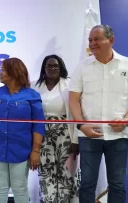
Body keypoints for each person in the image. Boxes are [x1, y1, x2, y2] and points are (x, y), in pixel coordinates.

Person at [69, 24, 128, 203]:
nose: (92, 44)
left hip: (119, 137)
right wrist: (82, 125)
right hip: (89, 136)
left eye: (96, 39)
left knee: (117, 184)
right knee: (87, 184)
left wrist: (126, 120)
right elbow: (73, 99)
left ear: (110, 40)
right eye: (90, 40)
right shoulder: (82, 66)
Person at [0, 57, 45, 203]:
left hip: (21, 150)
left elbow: (38, 125)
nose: (0, 73)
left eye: (3, 70)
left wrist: (35, 151)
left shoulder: (32, 95)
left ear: (14, 71)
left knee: (19, 187)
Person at [31, 55, 79, 203]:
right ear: (44, 69)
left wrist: (75, 140)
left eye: (56, 66)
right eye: (49, 66)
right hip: (42, 134)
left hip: (65, 134)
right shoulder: (34, 86)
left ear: (61, 68)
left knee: (66, 173)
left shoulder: (70, 85)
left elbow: (76, 113)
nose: (52, 69)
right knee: (46, 172)